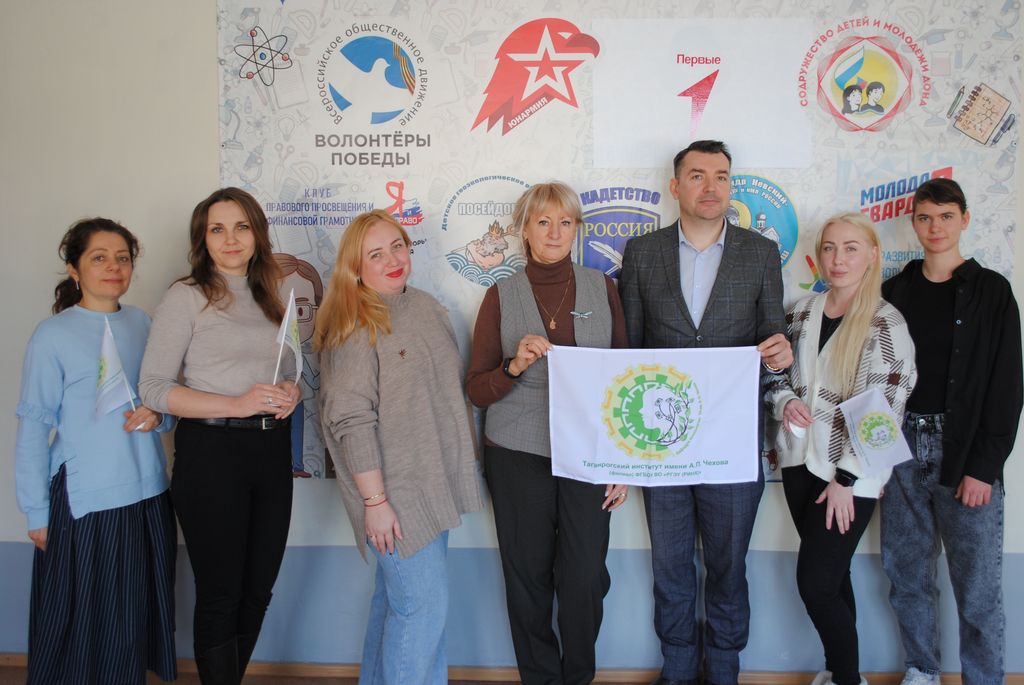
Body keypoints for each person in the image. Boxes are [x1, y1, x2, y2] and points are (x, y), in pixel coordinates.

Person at [618, 139, 792, 685]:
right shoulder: (641, 252)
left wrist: (780, 351)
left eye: (721, 176)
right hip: (660, 442)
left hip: (732, 443)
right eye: (697, 175)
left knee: (728, 566)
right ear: (676, 186)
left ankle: (723, 669)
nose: (710, 186)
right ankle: (676, 668)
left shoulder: (760, 253)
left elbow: (772, 340)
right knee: (670, 567)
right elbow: (629, 352)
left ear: (731, 185)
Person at [466, 181, 630, 685]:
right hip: (517, 453)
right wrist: (513, 366)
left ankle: (578, 676)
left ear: (576, 229)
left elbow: (626, 379)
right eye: (543, 222)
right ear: (524, 231)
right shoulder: (499, 295)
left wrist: (622, 462)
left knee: (585, 576)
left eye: (565, 222)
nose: (555, 232)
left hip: (589, 453)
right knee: (527, 579)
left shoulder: (603, 288)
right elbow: (477, 389)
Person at [140, 187, 300, 685]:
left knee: (258, 591)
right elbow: (154, 388)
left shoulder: (273, 296)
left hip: (270, 451)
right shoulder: (186, 296)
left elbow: (285, 371)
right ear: (202, 239)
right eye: (217, 229)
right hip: (211, 455)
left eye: (241, 227)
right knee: (221, 593)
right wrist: (235, 404)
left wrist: (291, 391)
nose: (231, 239)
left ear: (257, 234)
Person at [316, 209, 483, 685]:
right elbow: (352, 421)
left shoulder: (424, 306)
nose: (392, 260)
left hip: (432, 484)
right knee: (422, 611)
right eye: (375, 254)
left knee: (397, 605)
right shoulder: (354, 324)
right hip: (393, 495)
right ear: (354, 268)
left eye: (397, 246)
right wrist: (375, 502)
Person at [15, 218, 177, 684]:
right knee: (80, 627)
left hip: (147, 496)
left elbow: (165, 403)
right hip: (85, 502)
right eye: (99, 258)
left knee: (131, 626)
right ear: (74, 269)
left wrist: (159, 415)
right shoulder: (52, 335)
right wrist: (36, 512)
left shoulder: (144, 323)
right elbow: (33, 428)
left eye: (122, 258)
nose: (113, 267)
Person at [879, 178, 1022, 685]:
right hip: (900, 445)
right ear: (913, 223)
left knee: (977, 585)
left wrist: (984, 467)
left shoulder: (992, 291)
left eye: (945, 217)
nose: (935, 227)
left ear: (964, 219)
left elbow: (1007, 387)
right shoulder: (894, 291)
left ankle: (983, 678)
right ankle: (921, 670)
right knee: (907, 574)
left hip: (964, 450)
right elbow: (875, 375)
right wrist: (875, 456)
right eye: (925, 217)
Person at [765, 213, 917, 685]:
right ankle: (842, 673)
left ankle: (846, 679)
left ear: (872, 255)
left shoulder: (886, 323)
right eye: (830, 248)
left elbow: (887, 410)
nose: (839, 259)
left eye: (851, 248)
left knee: (815, 583)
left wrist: (847, 478)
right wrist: (785, 400)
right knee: (833, 579)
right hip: (798, 462)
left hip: (849, 476)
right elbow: (773, 376)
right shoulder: (801, 312)